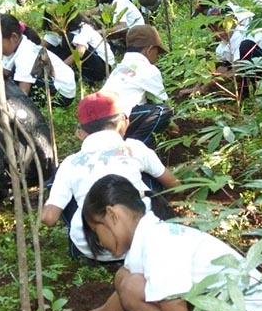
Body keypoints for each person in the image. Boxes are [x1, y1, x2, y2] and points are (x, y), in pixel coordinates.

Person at [52, 174, 262, 311]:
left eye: (96, 232)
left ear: (112, 215)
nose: (100, 242)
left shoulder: (159, 245)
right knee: (125, 281)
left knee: (129, 286)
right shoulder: (150, 240)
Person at [41, 92, 180, 261]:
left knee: (69, 190)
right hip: (141, 239)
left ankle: (80, 248)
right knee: (149, 178)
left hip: (94, 248)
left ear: (80, 134)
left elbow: (49, 218)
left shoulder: (70, 163)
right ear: (124, 122)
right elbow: (173, 184)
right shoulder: (134, 148)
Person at [101, 25, 173, 147]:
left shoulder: (120, 67)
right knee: (163, 111)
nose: (157, 57)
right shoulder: (148, 69)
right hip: (117, 118)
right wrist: (173, 126)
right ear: (149, 49)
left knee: (146, 108)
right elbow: (161, 100)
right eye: (157, 52)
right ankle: (134, 149)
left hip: (100, 118)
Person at [0, 14, 76, 107]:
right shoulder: (15, 46)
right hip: (56, 81)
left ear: (14, 37)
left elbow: (23, 94)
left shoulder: (26, 55)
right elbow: (3, 72)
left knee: (16, 88)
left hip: (63, 93)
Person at [42, 5, 115, 84]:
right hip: (81, 64)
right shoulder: (55, 32)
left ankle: (82, 76)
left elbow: (79, 53)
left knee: (70, 42)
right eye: (50, 22)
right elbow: (41, 46)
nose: (53, 26)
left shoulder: (82, 29)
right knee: (49, 50)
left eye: (56, 22)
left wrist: (59, 69)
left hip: (101, 65)